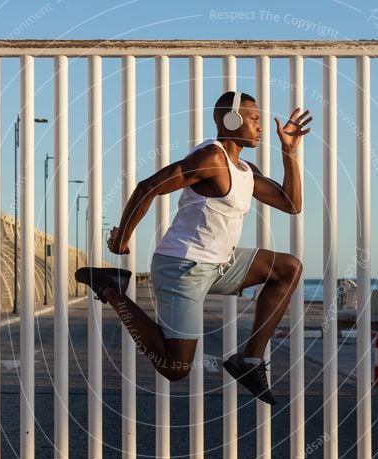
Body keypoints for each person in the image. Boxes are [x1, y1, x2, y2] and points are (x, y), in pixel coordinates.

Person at [76, 91, 311, 405]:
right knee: (175, 367)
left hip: (220, 264)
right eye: (254, 119)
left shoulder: (246, 171)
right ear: (231, 120)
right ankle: (112, 290)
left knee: (288, 268)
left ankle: (249, 360)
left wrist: (289, 151)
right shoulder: (211, 159)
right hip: (182, 267)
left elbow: (291, 203)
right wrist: (121, 239)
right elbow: (149, 186)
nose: (261, 127)